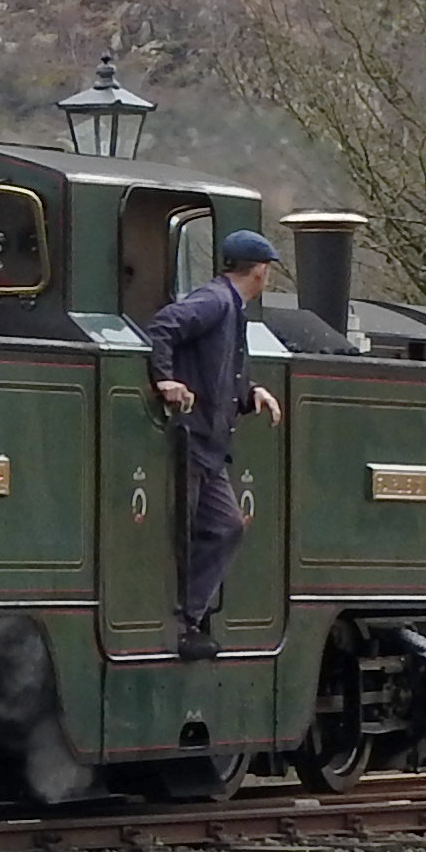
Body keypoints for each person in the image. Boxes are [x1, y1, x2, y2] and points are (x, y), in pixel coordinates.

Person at [142, 229, 285, 661]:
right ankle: (180, 620)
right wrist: (165, 378)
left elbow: (219, 369)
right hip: (193, 438)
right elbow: (163, 327)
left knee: (225, 526)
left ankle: (189, 616)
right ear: (259, 271)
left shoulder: (229, 308)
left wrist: (250, 393)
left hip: (210, 444)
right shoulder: (214, 302)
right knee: (185, 530)